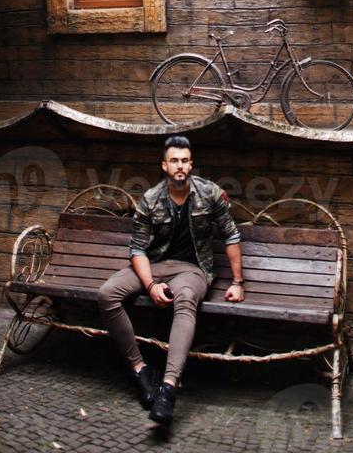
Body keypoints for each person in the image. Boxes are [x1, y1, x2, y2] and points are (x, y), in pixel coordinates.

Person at [98, 135, 245, 425]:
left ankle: (168, 387)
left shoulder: (210, 193)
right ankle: (141, 370)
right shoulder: (150, 200)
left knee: (186, 297)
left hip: (193, 269)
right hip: (156, 266)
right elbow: (138, 250)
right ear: (164, 165)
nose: (180, 166)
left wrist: (238, 282)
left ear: (191, 165)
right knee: (106, 294)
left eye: (185, 160)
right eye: (174, 160)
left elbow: (231, 234)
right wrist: (150, 284)